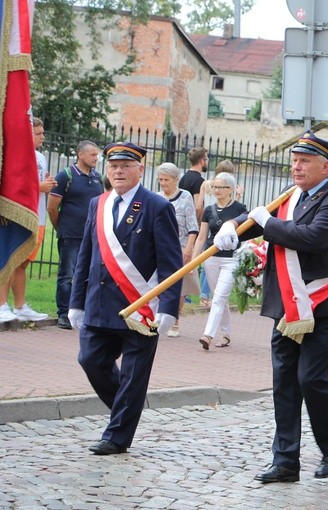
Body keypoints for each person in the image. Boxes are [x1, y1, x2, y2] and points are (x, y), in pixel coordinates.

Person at [214, 131, 328, 483]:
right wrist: (229, 226)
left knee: (311, 377)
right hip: (288, 307)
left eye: (304, 161)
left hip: (322, 304)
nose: (296, 167)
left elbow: (311, 237)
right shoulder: (292, 197)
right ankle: (286, 460)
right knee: (285, 382)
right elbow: (252, 222)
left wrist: (267, 222)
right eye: (294, 160)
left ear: (326, 165)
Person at [69, 142, 183, 455]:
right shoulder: (99, 204)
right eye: (113, 166)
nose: (118, 171)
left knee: (133, 376)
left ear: (140, 169)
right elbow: (86, 254)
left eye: (125, 166)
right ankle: (127, 408)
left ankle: (117, 436)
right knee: (90, 360)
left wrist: (169, 310)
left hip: (140, 308)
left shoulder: (156, 206)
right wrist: (76, 301)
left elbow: (171, 265)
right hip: (99, 302)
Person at [0, 117, 55, 323]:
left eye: (42, 132)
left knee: (22, 263)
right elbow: (11, 185)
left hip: (37, 215)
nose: (43, 136)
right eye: (38, 133)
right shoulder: (13, 153)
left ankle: (20, 306)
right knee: (8, 260)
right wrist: (38, 187)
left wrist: (46, 184)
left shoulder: (40, 157)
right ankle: (2, 305)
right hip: (18, 215)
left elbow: (39, 182)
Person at [47, 140, 104, 329]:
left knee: (89, 274)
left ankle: (83, 311)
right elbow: (52, 207)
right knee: (67, 274)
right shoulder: (66, 175)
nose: (96, 158)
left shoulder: (97, 177)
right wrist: (61, 227)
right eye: (92, 155)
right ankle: (64, 313)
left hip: (92, 236)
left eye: (97, 155)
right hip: (70, 234)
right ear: (81, 155)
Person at [193, 172, 247, 349]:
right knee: (219, 296)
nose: (216, 190)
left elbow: (245, 233)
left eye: (221, 187)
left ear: (230, 189)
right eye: (214, 187)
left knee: (218, 296)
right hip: (211, 258)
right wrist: (194, 262)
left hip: (231, 259)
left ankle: (208, 335)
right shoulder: (209, 210)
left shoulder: (240, 209)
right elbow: (201, 238)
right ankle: (226, 334)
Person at [157, 162, 200, 338]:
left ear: (176, 179)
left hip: (179, 247)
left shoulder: (185, 196)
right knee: (158, 285)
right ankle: (158, 319)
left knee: (178, 286)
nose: (163, 183)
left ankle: (174, 319)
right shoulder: (156, 197)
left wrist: (188, 249)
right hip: (159, 247)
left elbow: (192, 225)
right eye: (160, 179)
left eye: (166, 179)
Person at [179, 146, 208, 222]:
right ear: (202, 161)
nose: (206, 162)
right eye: (206, 160)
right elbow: (198, 207)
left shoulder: (183, 178)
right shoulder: (199, 180)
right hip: (192, 224)